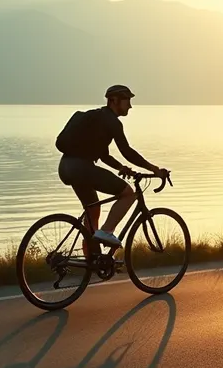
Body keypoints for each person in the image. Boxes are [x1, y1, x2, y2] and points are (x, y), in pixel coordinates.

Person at [56, 84, 169, 255]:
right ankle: (107, 231)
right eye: (127, 101)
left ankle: (91, 258)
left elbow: (103, 155)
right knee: (129, 193)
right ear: (114, 101)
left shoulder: (96, 119)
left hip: (66, 167)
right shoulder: (112, 122)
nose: (130, 106)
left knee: (92, 210)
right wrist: (154, 169)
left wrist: (121, 168)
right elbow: (127, 151)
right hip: (82, 168)